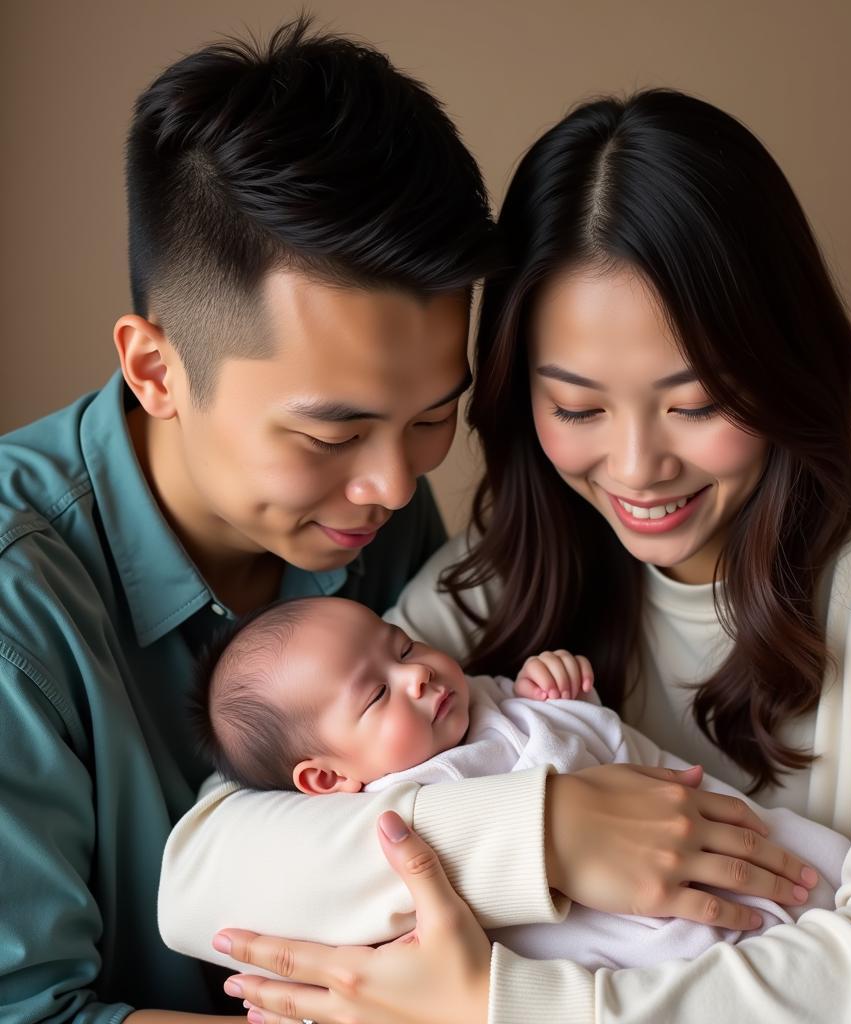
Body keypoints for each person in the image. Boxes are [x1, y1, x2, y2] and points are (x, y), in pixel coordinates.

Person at [160, 89, 851, 1023]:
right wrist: (544, 835)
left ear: (782, 364)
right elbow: (202, 877)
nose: (639, 468)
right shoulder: (502, 574)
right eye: (576, 409)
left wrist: (498, 1005)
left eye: (696, 403)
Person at [0, 16, 507, 1023]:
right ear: (157, 370)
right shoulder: (19, 599)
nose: (396, 487)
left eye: (435, 417)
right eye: (332, 434)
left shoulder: (365, 510)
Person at [160, 595, 847, 972]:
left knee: (809, 869)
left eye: (401, 646)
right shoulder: (379, 819)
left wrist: (556, 693)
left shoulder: (484, 697)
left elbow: (588, 741)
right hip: (605, 949)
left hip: (686, 836)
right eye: (376, 696)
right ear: (327, 777)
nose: (417, 675)